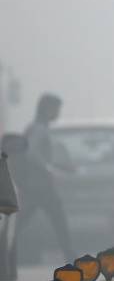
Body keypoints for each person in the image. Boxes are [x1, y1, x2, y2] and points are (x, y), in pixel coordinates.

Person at [12, 93, 73, 261]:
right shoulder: (39, 128)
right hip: (40, 185)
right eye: (56, 109)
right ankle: (70, 258)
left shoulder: (36, 127)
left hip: (36, 185)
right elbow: (32, 153)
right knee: (59, 222)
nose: (58, 113)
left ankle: (70, 257)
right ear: (47, 109)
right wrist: (48, 169)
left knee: (22, 221)